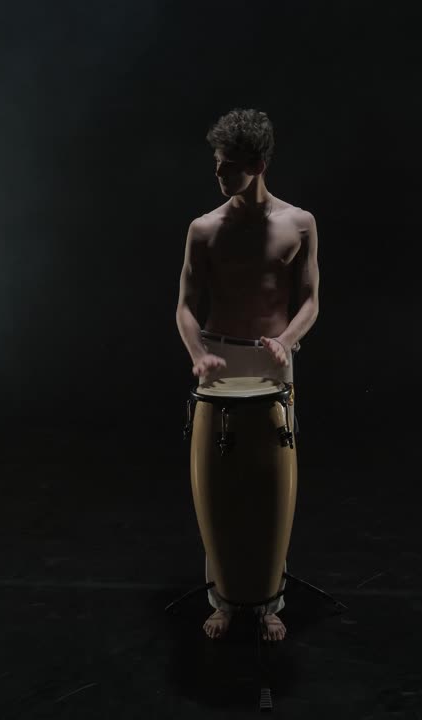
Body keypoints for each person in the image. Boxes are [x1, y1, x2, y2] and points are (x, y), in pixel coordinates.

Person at [174, 108, 321, 642]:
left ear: (257, 165)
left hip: (273, 357)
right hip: (216, 358)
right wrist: (197, 352)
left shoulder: (299, 223)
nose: (219, 177)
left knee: (265, 486)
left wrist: (286, 340)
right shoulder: (205, 228)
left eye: (229, 168)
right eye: (217, 166)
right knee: (219, 485)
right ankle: (223, 597)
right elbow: (186, 306)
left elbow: (310, 301)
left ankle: (267, 597)